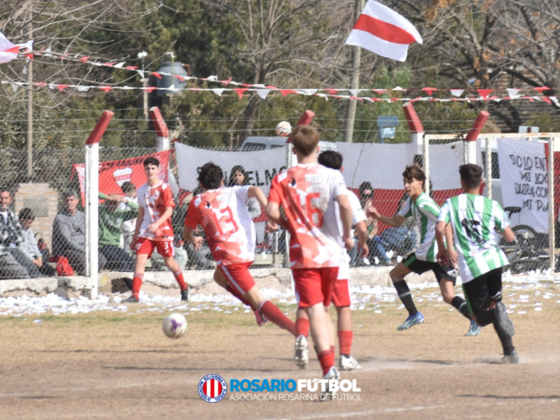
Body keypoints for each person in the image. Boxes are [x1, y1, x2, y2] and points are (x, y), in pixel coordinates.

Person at [266, 125, 354, 396]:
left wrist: (287, 225)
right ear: (318, 148)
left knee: (315, 309)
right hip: (331, 253)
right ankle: (332, 361)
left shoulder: (282, 177)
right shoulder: (331, 175)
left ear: (293, 150)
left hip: (304, 254)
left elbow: (270, 210)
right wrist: (347, 235)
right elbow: (345, 204)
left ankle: (328, 368)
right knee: (323, 310)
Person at [183, 162, 295, 334]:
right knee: (219, 277)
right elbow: (257, 190)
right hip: (248, 249)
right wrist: (271, 216)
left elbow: (186, 234)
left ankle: (297, 332)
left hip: (231, 258)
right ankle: (257, 308)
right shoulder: (233, 191)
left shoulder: (196, 202)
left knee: (259, 300)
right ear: (222, 181)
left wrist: (193, 239)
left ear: (200, 184)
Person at [368, 164, 480, 335]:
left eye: (410, 182)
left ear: (420, 183)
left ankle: (415, 314)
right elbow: (397, 222)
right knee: (446, 295)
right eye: (405, 182)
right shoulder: (411, 202)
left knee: (397, 275)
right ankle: (473, 319)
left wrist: (449, 249)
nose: (406, 185)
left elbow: (447, 220)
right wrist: (378, 217)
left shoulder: (423, 203)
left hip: (432, 253)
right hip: (432, 253)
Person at [294, 151, 368, 371]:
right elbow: (362, 228)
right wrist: (361, 242)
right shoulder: (347, 194)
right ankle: (344, 357)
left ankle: (302, 337)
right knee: (342, 307)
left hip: (308, 255)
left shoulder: (304, 188)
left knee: (312, 306)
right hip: (334, 258)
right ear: (341, 170)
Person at [436, 164, 518, 363]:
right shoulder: (492, 205)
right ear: (482, 183)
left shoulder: (451, 203)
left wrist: (443, 249)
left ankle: (505, 337)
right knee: (494, 306)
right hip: (495, 263)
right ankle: (510, 353)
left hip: (473, 268)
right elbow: (509, 237)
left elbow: (440, 228)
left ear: (462, 182)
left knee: (479, 318)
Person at [124, 157, 189, 303]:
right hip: (146, 232)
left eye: (153, 168)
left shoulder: (164, 188)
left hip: (163, 231)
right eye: (147, 168)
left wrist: (157, 225)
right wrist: (135, 237)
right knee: (140, 258)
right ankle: (135, 295)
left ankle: (184, 287)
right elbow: (141, 213)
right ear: (144, 170)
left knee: (169, 262)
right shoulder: (141, 190)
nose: (150, 171)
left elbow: (169, 210)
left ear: (158, 170)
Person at [53, 189, 107, 275]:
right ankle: (85, 281)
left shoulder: (81, 215)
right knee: (84, 261)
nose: (69, 202)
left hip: (84, 247)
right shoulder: (60, 218)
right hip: (68, 250)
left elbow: (87, 234)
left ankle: (90, 279)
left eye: (71, 200)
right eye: (67, 200)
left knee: (102, 259)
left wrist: (90, 247)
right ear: (63, 202)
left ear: (77, 201)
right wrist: (85, 250)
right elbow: (67, 241)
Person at [98, 192, 138, 272]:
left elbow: (138, 211)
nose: (113, 205)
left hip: (115, 246)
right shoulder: (100, 210)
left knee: (132, 262)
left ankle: (131, 282)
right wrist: (107, 197)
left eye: (115, 203)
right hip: (103, 245)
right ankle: (129, 283)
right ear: (106, 202)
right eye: (110, 202)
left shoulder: (120, 213)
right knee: (123, 263)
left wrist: (125, 201)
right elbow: (91, 194)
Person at [0, 188, 31, 279]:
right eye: (1, 198)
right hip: (3, 251)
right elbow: (3, 237)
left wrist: (11, 238)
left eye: (6, 198)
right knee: (22, 272)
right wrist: (12, 237)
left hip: (16, 248)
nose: (3, 201)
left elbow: (21, 235)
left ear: (10, 200)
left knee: (32, 268)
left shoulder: (12, 214)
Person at [19, 208, 55, 277]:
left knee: (50, 271)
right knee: (37, 274)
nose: (31, 225)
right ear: (22, 220)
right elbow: (22, 251)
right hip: (25, 259)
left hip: (34, 258)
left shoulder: (29, 230)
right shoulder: (17, 231)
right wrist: (33, 260)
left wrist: (39, 256)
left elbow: (34, 245)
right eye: (29, 222)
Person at [119, 181, 138, 253]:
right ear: (126, 192)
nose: (134, 192)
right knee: (128, 249)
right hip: (129, 230)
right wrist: (130, 228)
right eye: (132, 191)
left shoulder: (134, 200)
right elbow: (122, 216)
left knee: (137, 249)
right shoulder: (124, 201)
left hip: (136, 229)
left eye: (134, 190)